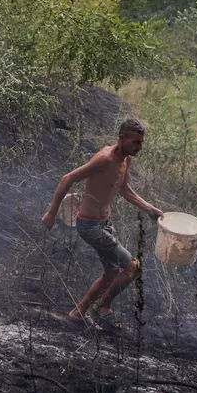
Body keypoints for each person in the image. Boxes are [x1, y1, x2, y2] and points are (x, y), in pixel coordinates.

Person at [40, 119, 165, 332]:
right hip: (89, 226)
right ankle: (102, 305)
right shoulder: (105, 159)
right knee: (132, 266)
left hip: (105, 223)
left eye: (141, 143)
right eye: (136, 142)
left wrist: (150, 209)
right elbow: (67, 178)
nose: (139, 148)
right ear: (122, 138)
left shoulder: (125, 159)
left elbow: (125, 190)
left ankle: (77, 313)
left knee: (112, 273)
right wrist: (51, 213)